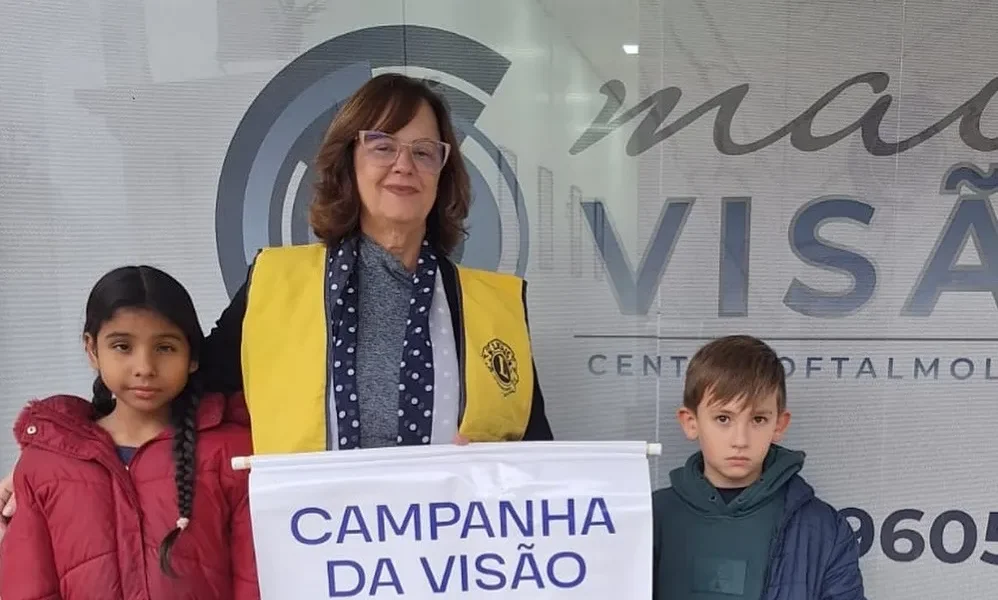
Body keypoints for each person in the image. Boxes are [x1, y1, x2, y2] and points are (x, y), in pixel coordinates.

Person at [0, 72, 553, 524]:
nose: (403, 165)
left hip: (454, 559)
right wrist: (52, 465)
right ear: (349, 161)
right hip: (314, 555)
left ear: (442, 171)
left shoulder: (490, 305)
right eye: (382, 145)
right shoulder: (277, 284)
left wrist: (509, 473)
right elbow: (174, 390)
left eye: (424, 151)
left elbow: (544, 456)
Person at [0, 266, 258, 599]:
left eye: (165, 348)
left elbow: (255, 582)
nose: (144, 368)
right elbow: (28, 587)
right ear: (92, 349)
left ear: (193, 356)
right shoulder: (45, 465)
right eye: (122, 346)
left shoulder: (233, 454)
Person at [652, 335, 865, 600]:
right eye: (723, 418)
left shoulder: (823, 529)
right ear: (690, 422)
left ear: (779, 425)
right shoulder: (648, 518)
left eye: (758, 419)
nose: (740, 440)